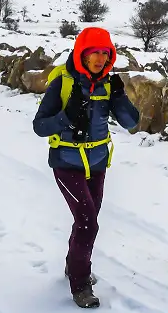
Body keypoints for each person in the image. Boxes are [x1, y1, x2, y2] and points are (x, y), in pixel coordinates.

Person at [33, 26, 140, 308]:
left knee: (87, 221)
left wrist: (119, 97)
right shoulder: (63, 82)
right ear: (82, 53)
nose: (100, 59)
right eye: (94, 52)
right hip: (66, 162)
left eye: (105, 53)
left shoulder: (108, 84)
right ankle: (80, 283)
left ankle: (73, 264)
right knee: (87, 222)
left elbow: (131, 124)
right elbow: (39, 126)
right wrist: (66, 118)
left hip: (97, 163)